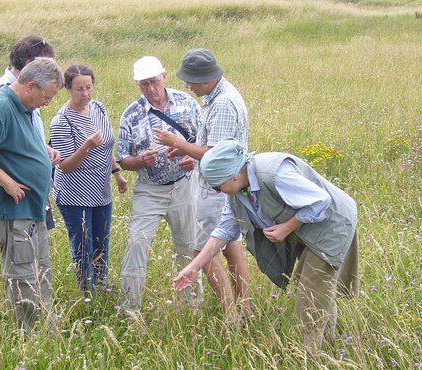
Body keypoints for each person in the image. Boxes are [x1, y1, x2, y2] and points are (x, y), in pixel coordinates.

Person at [173, 139, 359, 354]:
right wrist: (194, 267)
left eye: (217, 186)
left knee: (311, 292)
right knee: (315, 287)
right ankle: (328, 344)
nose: (217, 191)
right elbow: (223, 232)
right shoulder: (238, 193)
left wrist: (287, 227)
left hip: (331, 225)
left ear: (232, 175)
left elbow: (320, 201)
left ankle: (311, 355)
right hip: (308, 229)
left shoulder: (274, 173)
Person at [0, 57, 65, 333]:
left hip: (32, 210)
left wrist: (42, 148)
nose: (47, 103)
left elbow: (13, 142)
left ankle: (47, 334)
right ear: (31, 86)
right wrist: (7, 182)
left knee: (41, 274)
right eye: (47, 97)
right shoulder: (0, 107)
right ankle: (30, 338)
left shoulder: (25, 106)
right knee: (23, 279)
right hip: (13, 212)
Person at [154, 48, 251, 321]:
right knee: (232, 245)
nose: (186, 86)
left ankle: (231, 317)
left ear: (206, 79)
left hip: (216, 188)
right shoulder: (219, 94)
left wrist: (178, 144)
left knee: (203, 252)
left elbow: (214, 155)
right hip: (226, 184)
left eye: (190, 81)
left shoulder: (221, 104)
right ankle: (245, 309)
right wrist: (187, 153)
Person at [116, 55, 202, 311]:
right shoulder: (131, 114)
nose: (150, 89)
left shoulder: (187, 103)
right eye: (143, 84)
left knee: (188, 246)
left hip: (185, 184)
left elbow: (204, 143)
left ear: (164, 76)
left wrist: (192, 159)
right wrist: (141, 160)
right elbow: (123, 159)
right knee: (136, 243)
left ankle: (192, 307)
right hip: (149, 190)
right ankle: (131, 310)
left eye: (154, 82)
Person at [49, 64, 128, 296]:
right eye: (79, 89)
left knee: (102, 243)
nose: (85, 94)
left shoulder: (98, 108)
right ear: (67, 89)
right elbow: (64, 166)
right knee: (84, 247)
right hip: (75, 194)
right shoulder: (62, 121)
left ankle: (102, 288)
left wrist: (117, 174)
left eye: (88, 88)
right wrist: (86, 146)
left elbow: (106, 146)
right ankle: (87, 294)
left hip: (101, 190)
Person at [0, 35, 60, 229]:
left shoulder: (31, 89)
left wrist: (42, 147)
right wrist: (8, 183)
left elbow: (20, 133)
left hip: (32, 196)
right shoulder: (3, 94)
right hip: (15, 203)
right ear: (30, 64)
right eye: (47, 67)